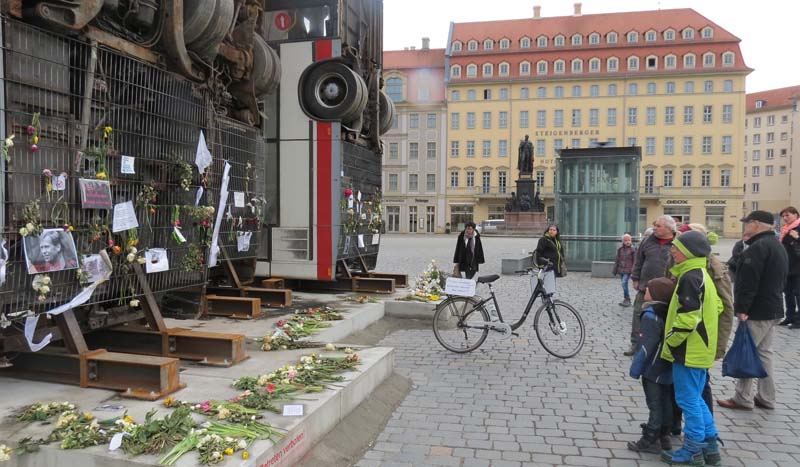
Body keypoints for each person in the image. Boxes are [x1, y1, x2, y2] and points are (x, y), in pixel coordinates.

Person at [660, 230, 723, 466]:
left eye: (676, 247)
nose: (672, 251)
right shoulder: (701, 273)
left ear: (687, 252)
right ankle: (711, 446)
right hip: (700, 348)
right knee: (696, 399)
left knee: (687, 400)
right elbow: (717, 306)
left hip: (688, 350)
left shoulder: (690, 277)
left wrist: (670, 340)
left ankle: (693, 448)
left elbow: (688, 318)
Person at [717, 210, 788, 413]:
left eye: (747, 222)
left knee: (746, 352)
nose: (745, 226)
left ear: (755, 224)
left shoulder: (757, 247)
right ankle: (766, 397)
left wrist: (742, 308)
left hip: (756, 310)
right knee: (764, 354)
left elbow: (749, 282)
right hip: (773, 307)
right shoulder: (777, 245)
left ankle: (743, 397)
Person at [628, 277, 677, 454]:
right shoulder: (668, 312)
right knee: (665, 401)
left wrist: (636, 369)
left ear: (656, 295)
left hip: (652, 368)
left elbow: (646, 346)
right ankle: (665, 435)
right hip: (666, 366)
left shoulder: (650, 316)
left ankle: (650, 438)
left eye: (648, 289)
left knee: (654, 403)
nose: (645, 291)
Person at [625, 215, 676, 356]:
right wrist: (635, 278)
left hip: (666, 289)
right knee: (638, 314)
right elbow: (638, 260)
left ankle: (661, 344)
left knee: (664, 317)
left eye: (658, 226)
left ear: (669, 229)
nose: (655, 228)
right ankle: (635, 344)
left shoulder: (677, 243)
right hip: (645, 286)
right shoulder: (648, 240)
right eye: (655, 225)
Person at [778, 207, 800, 328]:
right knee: (788, 293)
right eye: (783, 216)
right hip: (787, 267)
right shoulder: (785, 230)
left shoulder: (797, 228)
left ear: (796, 215)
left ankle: (798, 320)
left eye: (788, 215)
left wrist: (797, 238)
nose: (785, 218)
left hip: (798, 267)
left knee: (798, 293)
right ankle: (789, 317)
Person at [613, 234, 636, 307]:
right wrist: (615, 270)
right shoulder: (620, 249)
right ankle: (626, 299)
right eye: (626, 240)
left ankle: (627, 298)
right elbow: (617, 260)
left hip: (628, 270)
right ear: (623, 241)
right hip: (621, 269)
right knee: (624, 285)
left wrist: (633, 270)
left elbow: (635, 261)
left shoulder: (633, 249)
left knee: (624, 283)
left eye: (629, 240)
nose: (627, 242)